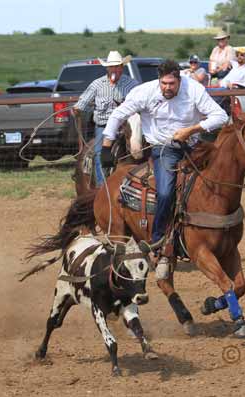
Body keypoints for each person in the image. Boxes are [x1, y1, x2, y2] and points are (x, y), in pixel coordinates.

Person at [101, 60, 228, 274]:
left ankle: (215, 229)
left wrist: (192, 129)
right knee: (165, 191)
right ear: (159, 80)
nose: (167, 87)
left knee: (218, 181)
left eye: (172, 83)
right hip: (164, 148)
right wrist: (106, 145)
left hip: (193, 145)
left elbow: (221, 117)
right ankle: (158, 239)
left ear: (179, 80)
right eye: (164, 83)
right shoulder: (145, 92)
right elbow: (118, 114)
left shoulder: (194, 89)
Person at [73, 51, 140, 186]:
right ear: (107, 68)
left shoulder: (132, 84)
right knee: (99, 154)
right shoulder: (97, 85)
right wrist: (77, 109)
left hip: (127, 126)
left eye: (118, 66)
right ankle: (102, 188)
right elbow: (82, 104)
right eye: (113, 66)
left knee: (141, 151)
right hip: (103, 127)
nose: (116, 69)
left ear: (122, 67)